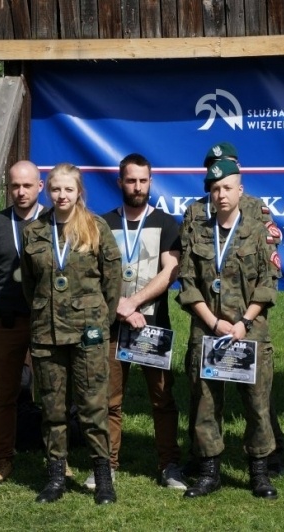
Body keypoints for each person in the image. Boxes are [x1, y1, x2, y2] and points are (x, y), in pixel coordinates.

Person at [177, 158, 282, 499]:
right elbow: (188, 283)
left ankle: (259, 472)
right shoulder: (199, 231)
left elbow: (268, 282)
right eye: (215, 188)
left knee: (257, 403)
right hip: (208, 330)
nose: (221, 194)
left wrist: (244, 322)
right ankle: (209, 472)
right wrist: (213, 321)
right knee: (205, 402)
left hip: (249, 331)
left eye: (227, 188)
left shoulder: (257, 231)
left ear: (240, 190)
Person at [20, 163, 122, 505]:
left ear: (79, 192)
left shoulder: (95, 227)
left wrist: (100, 320)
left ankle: (103, 478)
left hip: (87, 334)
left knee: (93, 406)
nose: (61, 195)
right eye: (56, 189)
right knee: (53, 408)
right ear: (47, 191)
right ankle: (55, 477)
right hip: (47, 334)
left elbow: (112, 281)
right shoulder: (34, 231)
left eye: (68, 189)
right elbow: (30, 285)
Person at [97, 153, 186, 490]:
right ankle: (107, 465)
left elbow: (171, 270)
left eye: (143, 181)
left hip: (152, 326)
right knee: (109, 399)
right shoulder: (104, 224)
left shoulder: (166, 223)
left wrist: (133, 302)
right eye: (131, 180)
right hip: (112, 325)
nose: (137, 187)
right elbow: (95, 274)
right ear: (120, 182)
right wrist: (119, 308)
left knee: (162, 399)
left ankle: (169, 466)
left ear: (151, 182)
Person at [0, 160, 43, 486]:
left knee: (55, 392)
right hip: (8, 320)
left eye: (27, 185)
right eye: (15, 186)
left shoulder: (55, 221)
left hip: (48, 321)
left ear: (39, 186)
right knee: (3, 392)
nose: (21, 192)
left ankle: (58, 459)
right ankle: (2, 457)